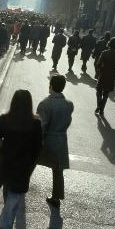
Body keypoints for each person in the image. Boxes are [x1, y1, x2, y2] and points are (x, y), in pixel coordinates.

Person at [0, 90, 43, 229]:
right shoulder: (35, 123)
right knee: (14, 196)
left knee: (8, 192)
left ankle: (4, 226)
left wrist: (1, 150)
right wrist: (32, 163)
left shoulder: (4, 119)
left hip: (7, 161)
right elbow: (38, 147)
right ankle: (5, 225)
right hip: (24, 164)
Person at [37, 74, 74, 210]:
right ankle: (56, 197)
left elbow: (41, 126)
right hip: (61, 140)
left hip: (46, 140)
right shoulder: (69, 105)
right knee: (58, 170)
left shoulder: (45, 104)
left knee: (31, 163)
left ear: (51, 86)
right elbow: (68, 122)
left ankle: (21, 187)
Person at [95, 37, 115, 115]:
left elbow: (98, 64)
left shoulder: (104, 53)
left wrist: (101, 69)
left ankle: (99, 105)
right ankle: (102, 109)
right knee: (106, 93)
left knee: (99, 91)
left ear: (109, 43)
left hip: (103, 74)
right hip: (112, 75)